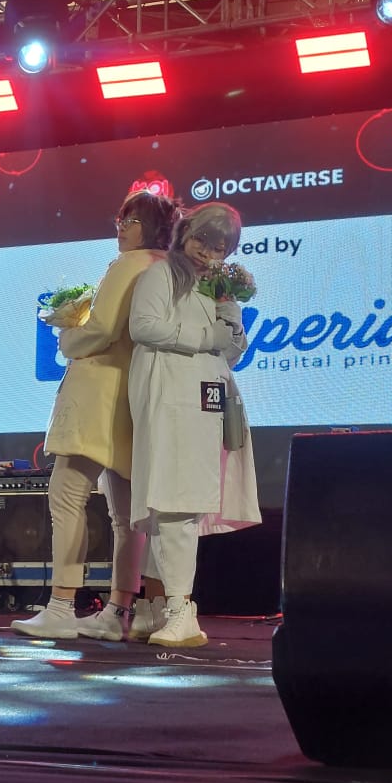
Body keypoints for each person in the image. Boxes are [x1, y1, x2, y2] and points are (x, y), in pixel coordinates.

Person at [11, 190, 179, 640]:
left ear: (150, 227)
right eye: (120, 220)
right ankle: (118, 611)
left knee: (66, 496)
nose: (120, 228)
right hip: (131, 399)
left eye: (130, 221)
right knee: (126, 517)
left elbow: (102, 329)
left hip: (96, 396)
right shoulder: (165, 268)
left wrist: (67, 337)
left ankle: (61, 606)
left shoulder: (128, 264)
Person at [127, 201, 261, 647]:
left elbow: (231, 353)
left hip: (205, 400)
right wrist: (207, 337)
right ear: (185, 233)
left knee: (178, 505)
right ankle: (174, 611)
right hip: (172, 397)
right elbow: (143, 326)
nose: (208, 252)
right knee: (172, 505)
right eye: (203, 240)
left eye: (220, 247)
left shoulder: (218, 288)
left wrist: (231, 323)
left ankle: (167, 610)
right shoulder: (162, 274)